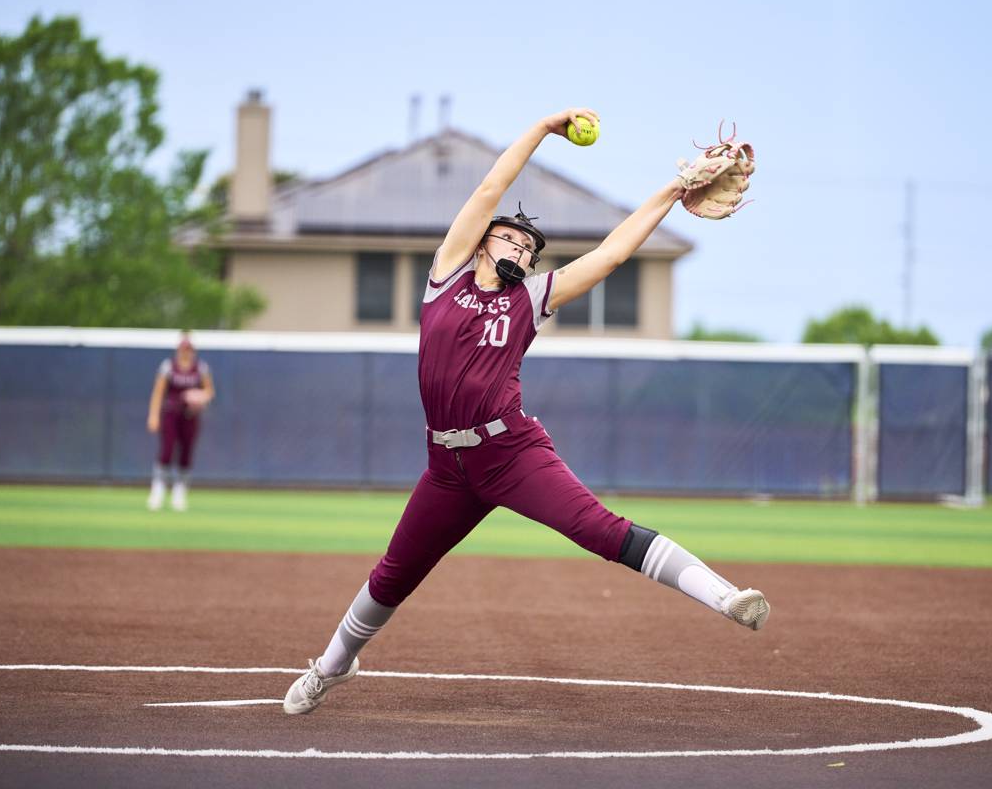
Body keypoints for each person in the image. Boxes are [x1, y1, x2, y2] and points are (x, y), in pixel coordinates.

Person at [284, 108, 769, 715]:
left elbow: (612, 255)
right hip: (446, 468)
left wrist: (673, 190)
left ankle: (726, 598)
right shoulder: (447, 275)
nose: (519, 246)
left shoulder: (531, 298)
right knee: (393, 575)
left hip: (510, 452)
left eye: (528, 246)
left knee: (601, 530)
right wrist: (542, 129)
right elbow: (492, 187)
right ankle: (331, 667)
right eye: (509, 237)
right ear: (481, 241)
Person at [145, 332, 215, 512]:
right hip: (171, 413)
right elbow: (158, 392)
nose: (186, 352)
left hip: (190, 416)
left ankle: (180, 490)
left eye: (189, 349)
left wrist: (199, 396)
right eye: (183, 349)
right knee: (167, 450)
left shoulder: (201, 368)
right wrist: (153, 415)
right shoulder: (169, 367)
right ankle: (158, 488)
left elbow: (209, 391)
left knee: (186, 452)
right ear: (178, 350)